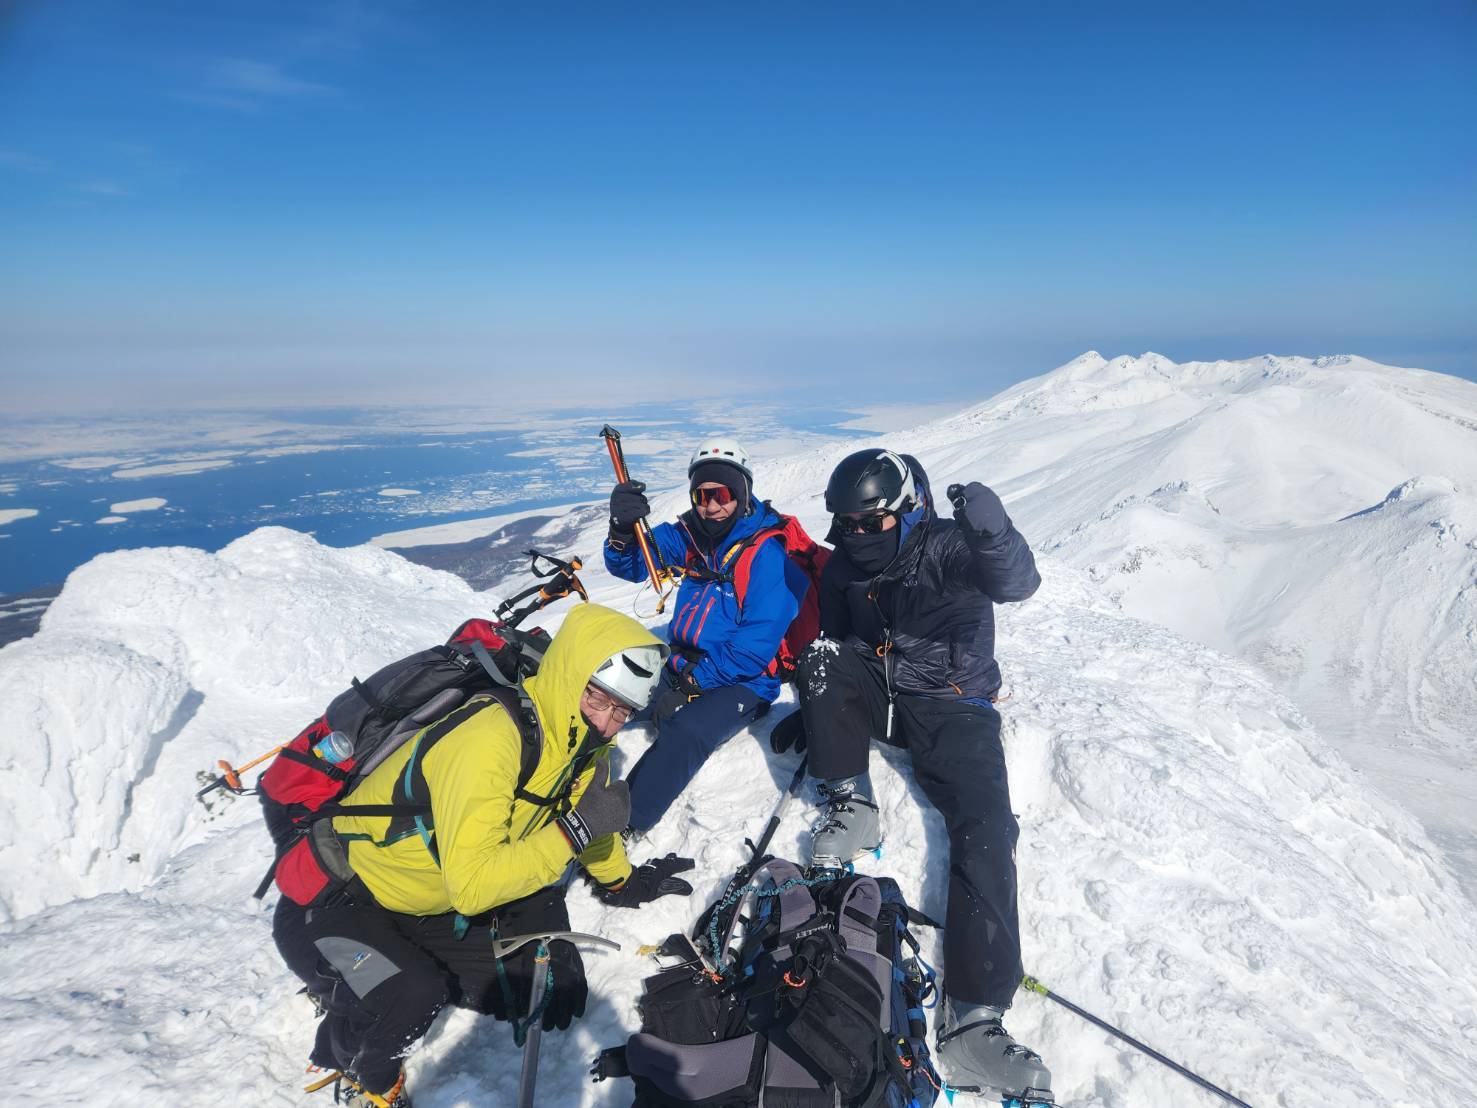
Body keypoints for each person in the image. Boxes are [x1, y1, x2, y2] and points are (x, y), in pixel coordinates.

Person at [283, 603, 695, 1107]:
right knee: (413, 997)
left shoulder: (584, 747)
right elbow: (477, 884)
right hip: (338, 902)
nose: (607, 724)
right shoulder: (491, 738)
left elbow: (592, 820)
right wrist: (571, 833)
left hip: (423, 903)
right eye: (598, 698)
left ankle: (372, 983)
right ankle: (363, 1069)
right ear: (569, 677)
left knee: (527, 987)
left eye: (623, 712)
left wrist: (622, 882)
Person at [770, 447, 1052, 1103]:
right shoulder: (842, 564)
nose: (857, 536)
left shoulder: (948, 547)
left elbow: (1013, 583)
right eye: (847, 523)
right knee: (818, 657)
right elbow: (837, 646)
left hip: (953, 705)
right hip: (885, 702)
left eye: (872, 522)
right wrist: (819, 711)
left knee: (984, 827)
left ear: (907, 510)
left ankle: (973, 1021)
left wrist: (993, 534)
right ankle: (851, 803)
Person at [604, 436, 810, 835]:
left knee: (686, 731)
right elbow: (631, 565)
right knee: (610, 694)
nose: (712, 506)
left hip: (745, 681)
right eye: (702, 494)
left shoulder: (768, 554)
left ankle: (623, 827)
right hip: (682, 662)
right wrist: (622, 530)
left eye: (723, 494)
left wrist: (690, 686)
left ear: (742, 493)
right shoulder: (689, 535)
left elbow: (755, 648)